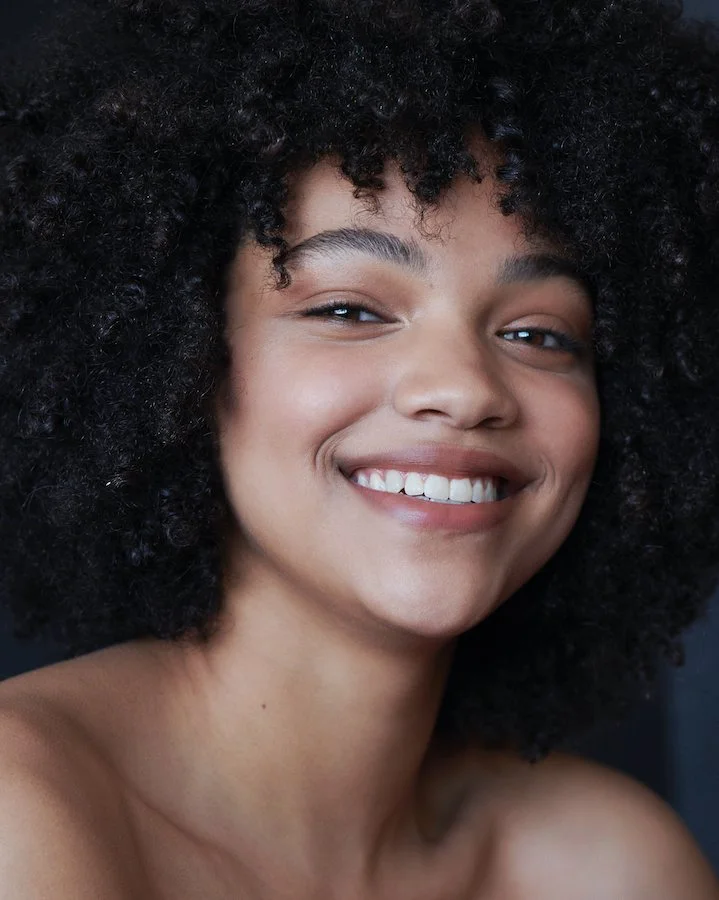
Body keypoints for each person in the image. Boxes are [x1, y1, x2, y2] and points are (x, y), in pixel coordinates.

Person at [1, 0, 718, 896]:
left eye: (539, 334)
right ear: (171, 353)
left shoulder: (609, 867)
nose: (463, 389)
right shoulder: (23, 812)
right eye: (348, 310)